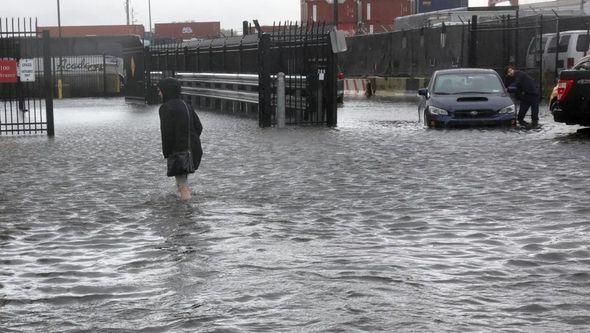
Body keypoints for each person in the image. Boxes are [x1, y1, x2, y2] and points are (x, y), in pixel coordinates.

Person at [158, 77, 203, 201]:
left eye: (160, 90)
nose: (159, 93)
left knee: (182, 185)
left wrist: (167, 152)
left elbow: (167, 133)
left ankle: (186, 213)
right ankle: (184, 204)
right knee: (183, 181)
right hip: (194, 150)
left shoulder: (165, 108)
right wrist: (192, 142)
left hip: (180, 152)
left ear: (166, 91)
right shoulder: (186, 105)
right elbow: (199, 126)